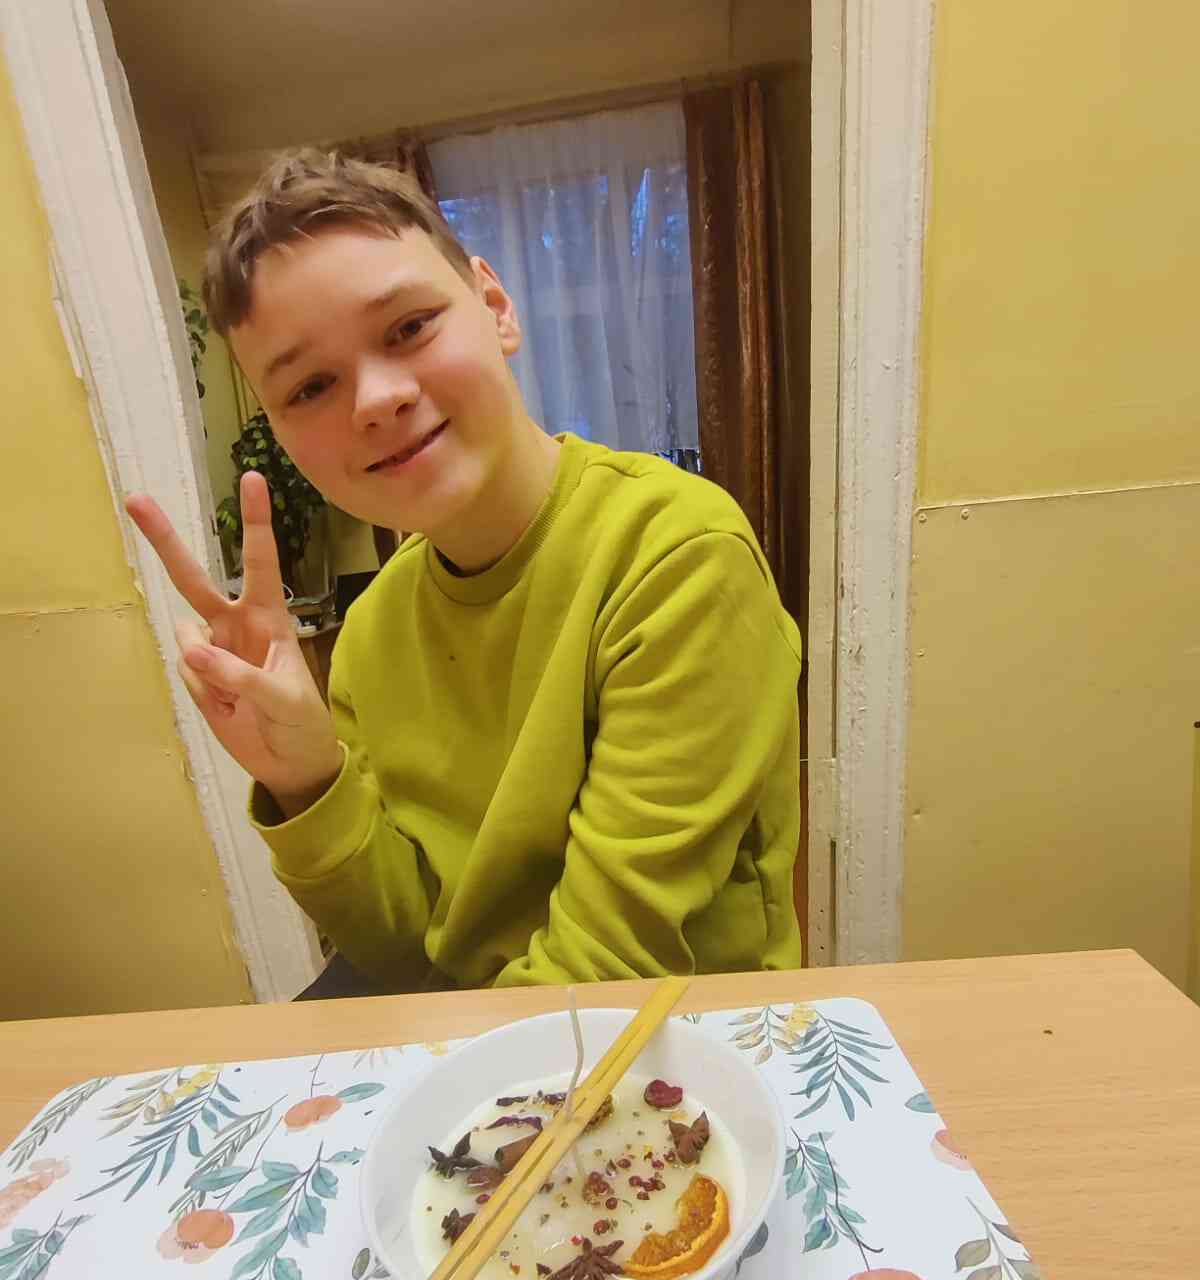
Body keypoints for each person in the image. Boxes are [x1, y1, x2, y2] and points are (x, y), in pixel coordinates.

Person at [128, 149, 804, 995]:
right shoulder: (371, 633)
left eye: (408, 328)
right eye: (310, 387)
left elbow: (612, 966)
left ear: (495, 306)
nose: (375, 399)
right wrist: (307, 778)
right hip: (487, 1031)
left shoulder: (677, 555)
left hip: (678, 1036)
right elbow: (404, 950)